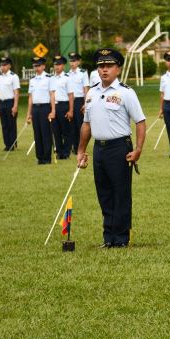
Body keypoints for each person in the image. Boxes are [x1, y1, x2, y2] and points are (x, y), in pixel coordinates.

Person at [77, 48, 146, 248]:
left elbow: (140, 121)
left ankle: (122, 238)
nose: (105, 70)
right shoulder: (92, 93)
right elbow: (86, 124)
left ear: (118, 69)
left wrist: (138, 149)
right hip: (99, 149)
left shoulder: (125, 93)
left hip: (119, 149)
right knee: (104, 194)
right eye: (101, 66)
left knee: (121, 194)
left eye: (109, 66)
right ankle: (109, 238)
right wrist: (81, 150)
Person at [27, 56, 56, 165]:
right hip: (35, 108)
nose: (37, 67)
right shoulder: (32, 80)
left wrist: (53, 111)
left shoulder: (49, 78)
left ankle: (47, 157)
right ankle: (40, 157)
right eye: (35, 65)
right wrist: (29, 113)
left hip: (45, 108)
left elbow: (52, 95)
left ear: (43, 66)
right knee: (37, 133)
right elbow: (31, 97)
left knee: (46, 133)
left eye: (39, 65)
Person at [50, 55, 75, 159]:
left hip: (63, 105)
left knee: (65, 131)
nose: (57, 66)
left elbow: (71, 95)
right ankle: (59, 152)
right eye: (55, 64)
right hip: (53, 106)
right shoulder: (51, 78)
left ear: (64, 66)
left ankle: (66, 152)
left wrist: (71, 110)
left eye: (59, 64)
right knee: (56, 131)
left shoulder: (67, 78)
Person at [0, 57, 20, 151]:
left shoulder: (14, 76)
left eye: (5, 65)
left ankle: (13, 144)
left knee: (11, 124)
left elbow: (16, 92)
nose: (3, 67)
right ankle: (7, 144)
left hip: (10, 102)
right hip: (2, 102)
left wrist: (15, 105)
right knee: (4, 125)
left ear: (9, 66)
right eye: (2, 65)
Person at [68, 53, 90, 155]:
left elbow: (86, 89)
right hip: (69, 101)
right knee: (71, 126)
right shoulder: (67, 74)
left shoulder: (83, 73)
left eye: (74, 61)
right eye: (71, 61)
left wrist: (85, 103)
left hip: (79, 101)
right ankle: (74, 147)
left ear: (78, 62)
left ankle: (81, 147)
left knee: (79, 125)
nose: (72, 63)